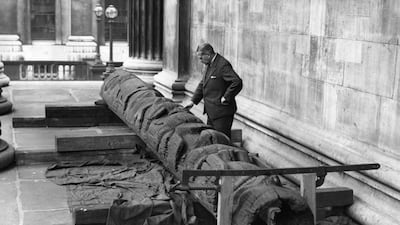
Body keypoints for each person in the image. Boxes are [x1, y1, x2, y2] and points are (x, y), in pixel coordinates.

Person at [185, 43, 242, 138]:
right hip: (211, 112)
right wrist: (192, 102)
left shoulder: (222, 65)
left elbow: (237, 82)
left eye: (201, 58)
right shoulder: (208, 64)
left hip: (222, 113)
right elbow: (203, 84)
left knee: (221, 141)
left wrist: (226, 97)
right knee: (212, 140)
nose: (200, 61)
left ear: (208, 55)